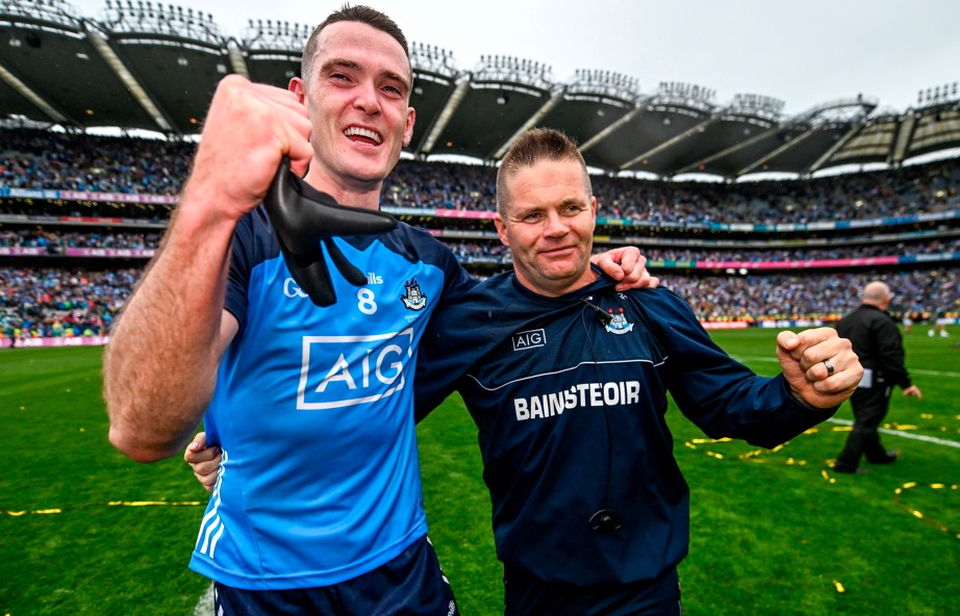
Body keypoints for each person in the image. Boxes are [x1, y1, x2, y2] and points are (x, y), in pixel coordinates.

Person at [104, 6, 652, 616]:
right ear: (300, 97)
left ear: (408, 121)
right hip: (263, 583)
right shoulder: (243, 239)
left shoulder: (431, 266)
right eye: (342, 77)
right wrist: (209, 201)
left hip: (400, 574)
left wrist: (600, 269)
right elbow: (140, 428)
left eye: (390, 88)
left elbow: (528, 308)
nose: (369, 101)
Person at [189, 128, 862, 615]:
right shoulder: (465, 322)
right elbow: (369, 402)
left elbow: (735, 407)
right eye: (532, 215)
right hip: (538, 594)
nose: (556, 228)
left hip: (648, 591)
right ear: (503, 229)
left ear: (594, 211)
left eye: (571, 208)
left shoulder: (650, 304)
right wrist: (241, 441)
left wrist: (800, 397)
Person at [833, 281, 922, 473]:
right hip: (875, 379)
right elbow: (891, 355)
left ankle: (876, 454)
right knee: (867, 420)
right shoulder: (882, 321)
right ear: (886, 299)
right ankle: (846, 463)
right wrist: (906, 383)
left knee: (865, 416)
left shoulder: (846, 320)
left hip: (850, 377)